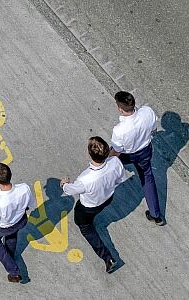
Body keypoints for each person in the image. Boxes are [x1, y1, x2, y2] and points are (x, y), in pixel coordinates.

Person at [60, 137, 126, 273]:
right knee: (94, 216)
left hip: (88, 208)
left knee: (86, 228)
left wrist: (64, 183)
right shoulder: (115, 162)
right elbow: (120, 180)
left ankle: (108, 258)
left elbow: (69, 190)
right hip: (107, 199)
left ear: (90, 154)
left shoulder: (85, 178)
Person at [109, 91, 165, 225]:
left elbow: (116, 151)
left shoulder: (119, 130)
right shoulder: (147, 112)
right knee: (147, 178)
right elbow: (153, 130)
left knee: (109, 163)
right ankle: (156, 215)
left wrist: (105, 158)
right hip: (145, 152)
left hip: (128, 155)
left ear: (120, 109)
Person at [0, 163, 36, 283]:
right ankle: (11, 254)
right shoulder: (24, 188)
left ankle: (14, 271)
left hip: (3, 228)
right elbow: (30, 204)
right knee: (12, 236)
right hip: (20, 221)